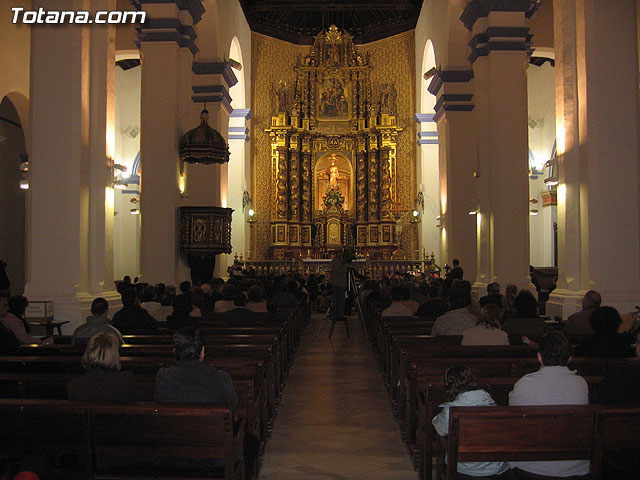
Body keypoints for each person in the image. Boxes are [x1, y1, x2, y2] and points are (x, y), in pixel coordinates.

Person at [509, 332, 589, 478]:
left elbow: (514, 423)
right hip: (575, 466)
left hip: (531, 466)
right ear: (570, 358)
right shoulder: (581, 383)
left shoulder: (524, 384)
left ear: (539, 357)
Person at [432, 366, 509, 478]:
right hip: (494, 468)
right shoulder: (490, 402)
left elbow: (440, 428)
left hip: (464, 469)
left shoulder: (451, 410)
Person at [155, 327, 238, 406]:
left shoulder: (163, 376)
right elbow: (232, 405)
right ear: (202, 351)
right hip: (210, 421)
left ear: (174, 351)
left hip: (174, 421)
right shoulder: (221, 378)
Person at [67, 332, 143, 403]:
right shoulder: (127, 381)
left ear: (88, 353)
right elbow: (140, 404)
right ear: (115, 355)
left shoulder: (74, 386)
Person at [329, 247, 351, 322]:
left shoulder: (341, 260)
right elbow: (336, 272)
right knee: (336, 300)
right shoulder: (335, 261)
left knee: (341, 300)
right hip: (337, 283)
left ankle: (340, 314)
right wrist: (345, 267)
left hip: (342, 283)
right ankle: (335, 315)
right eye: (340, 252)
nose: (342, 253)